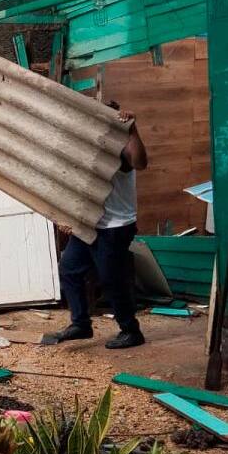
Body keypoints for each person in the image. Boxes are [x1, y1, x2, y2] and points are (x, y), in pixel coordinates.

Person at [51, 104, 149, 350]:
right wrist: (70, 218)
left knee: (110, 278)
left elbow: (140, 162)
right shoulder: (88, 148)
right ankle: (81, 324)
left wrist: (132, 129)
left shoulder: (121, 148)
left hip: (116, 226)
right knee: (69, 268)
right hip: (90, 224)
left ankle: (131, 331)